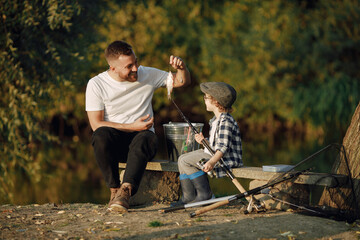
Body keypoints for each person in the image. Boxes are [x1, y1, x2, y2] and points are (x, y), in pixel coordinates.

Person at [85, 40, 191, 212]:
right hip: (117, 142)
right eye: (129, 66)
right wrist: (132, 126)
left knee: (146, 136)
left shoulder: (147, 74)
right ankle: (114, 190)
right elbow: (96, 124)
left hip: (143, 142)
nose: (135, 68)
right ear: (113, 68)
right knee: (100, 135)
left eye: (136, 62)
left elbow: (180, 81)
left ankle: (125, 191)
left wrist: (182, 68)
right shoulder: (97, 84)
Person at [172, 82, 243, 206]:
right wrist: (204, 142)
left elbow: (223, 148)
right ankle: (188, 197)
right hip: (215, 154)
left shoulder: (226, 121)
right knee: (181, 159)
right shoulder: (216, 120)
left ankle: (205, 195)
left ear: (216, 102)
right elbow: (215, 144)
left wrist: (211, 162)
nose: (204, 100)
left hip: (224, 159)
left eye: (206, 97)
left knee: (185, 161)